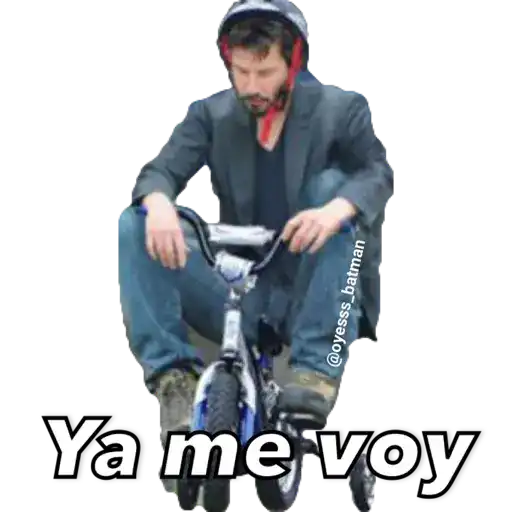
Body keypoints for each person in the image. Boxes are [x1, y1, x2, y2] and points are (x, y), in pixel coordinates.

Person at [117, 0, 393, 438]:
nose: (250, 86)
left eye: (264, 73)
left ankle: (314, 374)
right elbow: (159, 172)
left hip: (319, 291)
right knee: (134, 222)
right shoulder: (212, 115)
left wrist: (337, 209)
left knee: (334, 188)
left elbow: (377, 175)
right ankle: (173, 379)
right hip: (243, 289)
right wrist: (159, 201)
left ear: (293, 63)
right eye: (241, 72)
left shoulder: (341, 109)